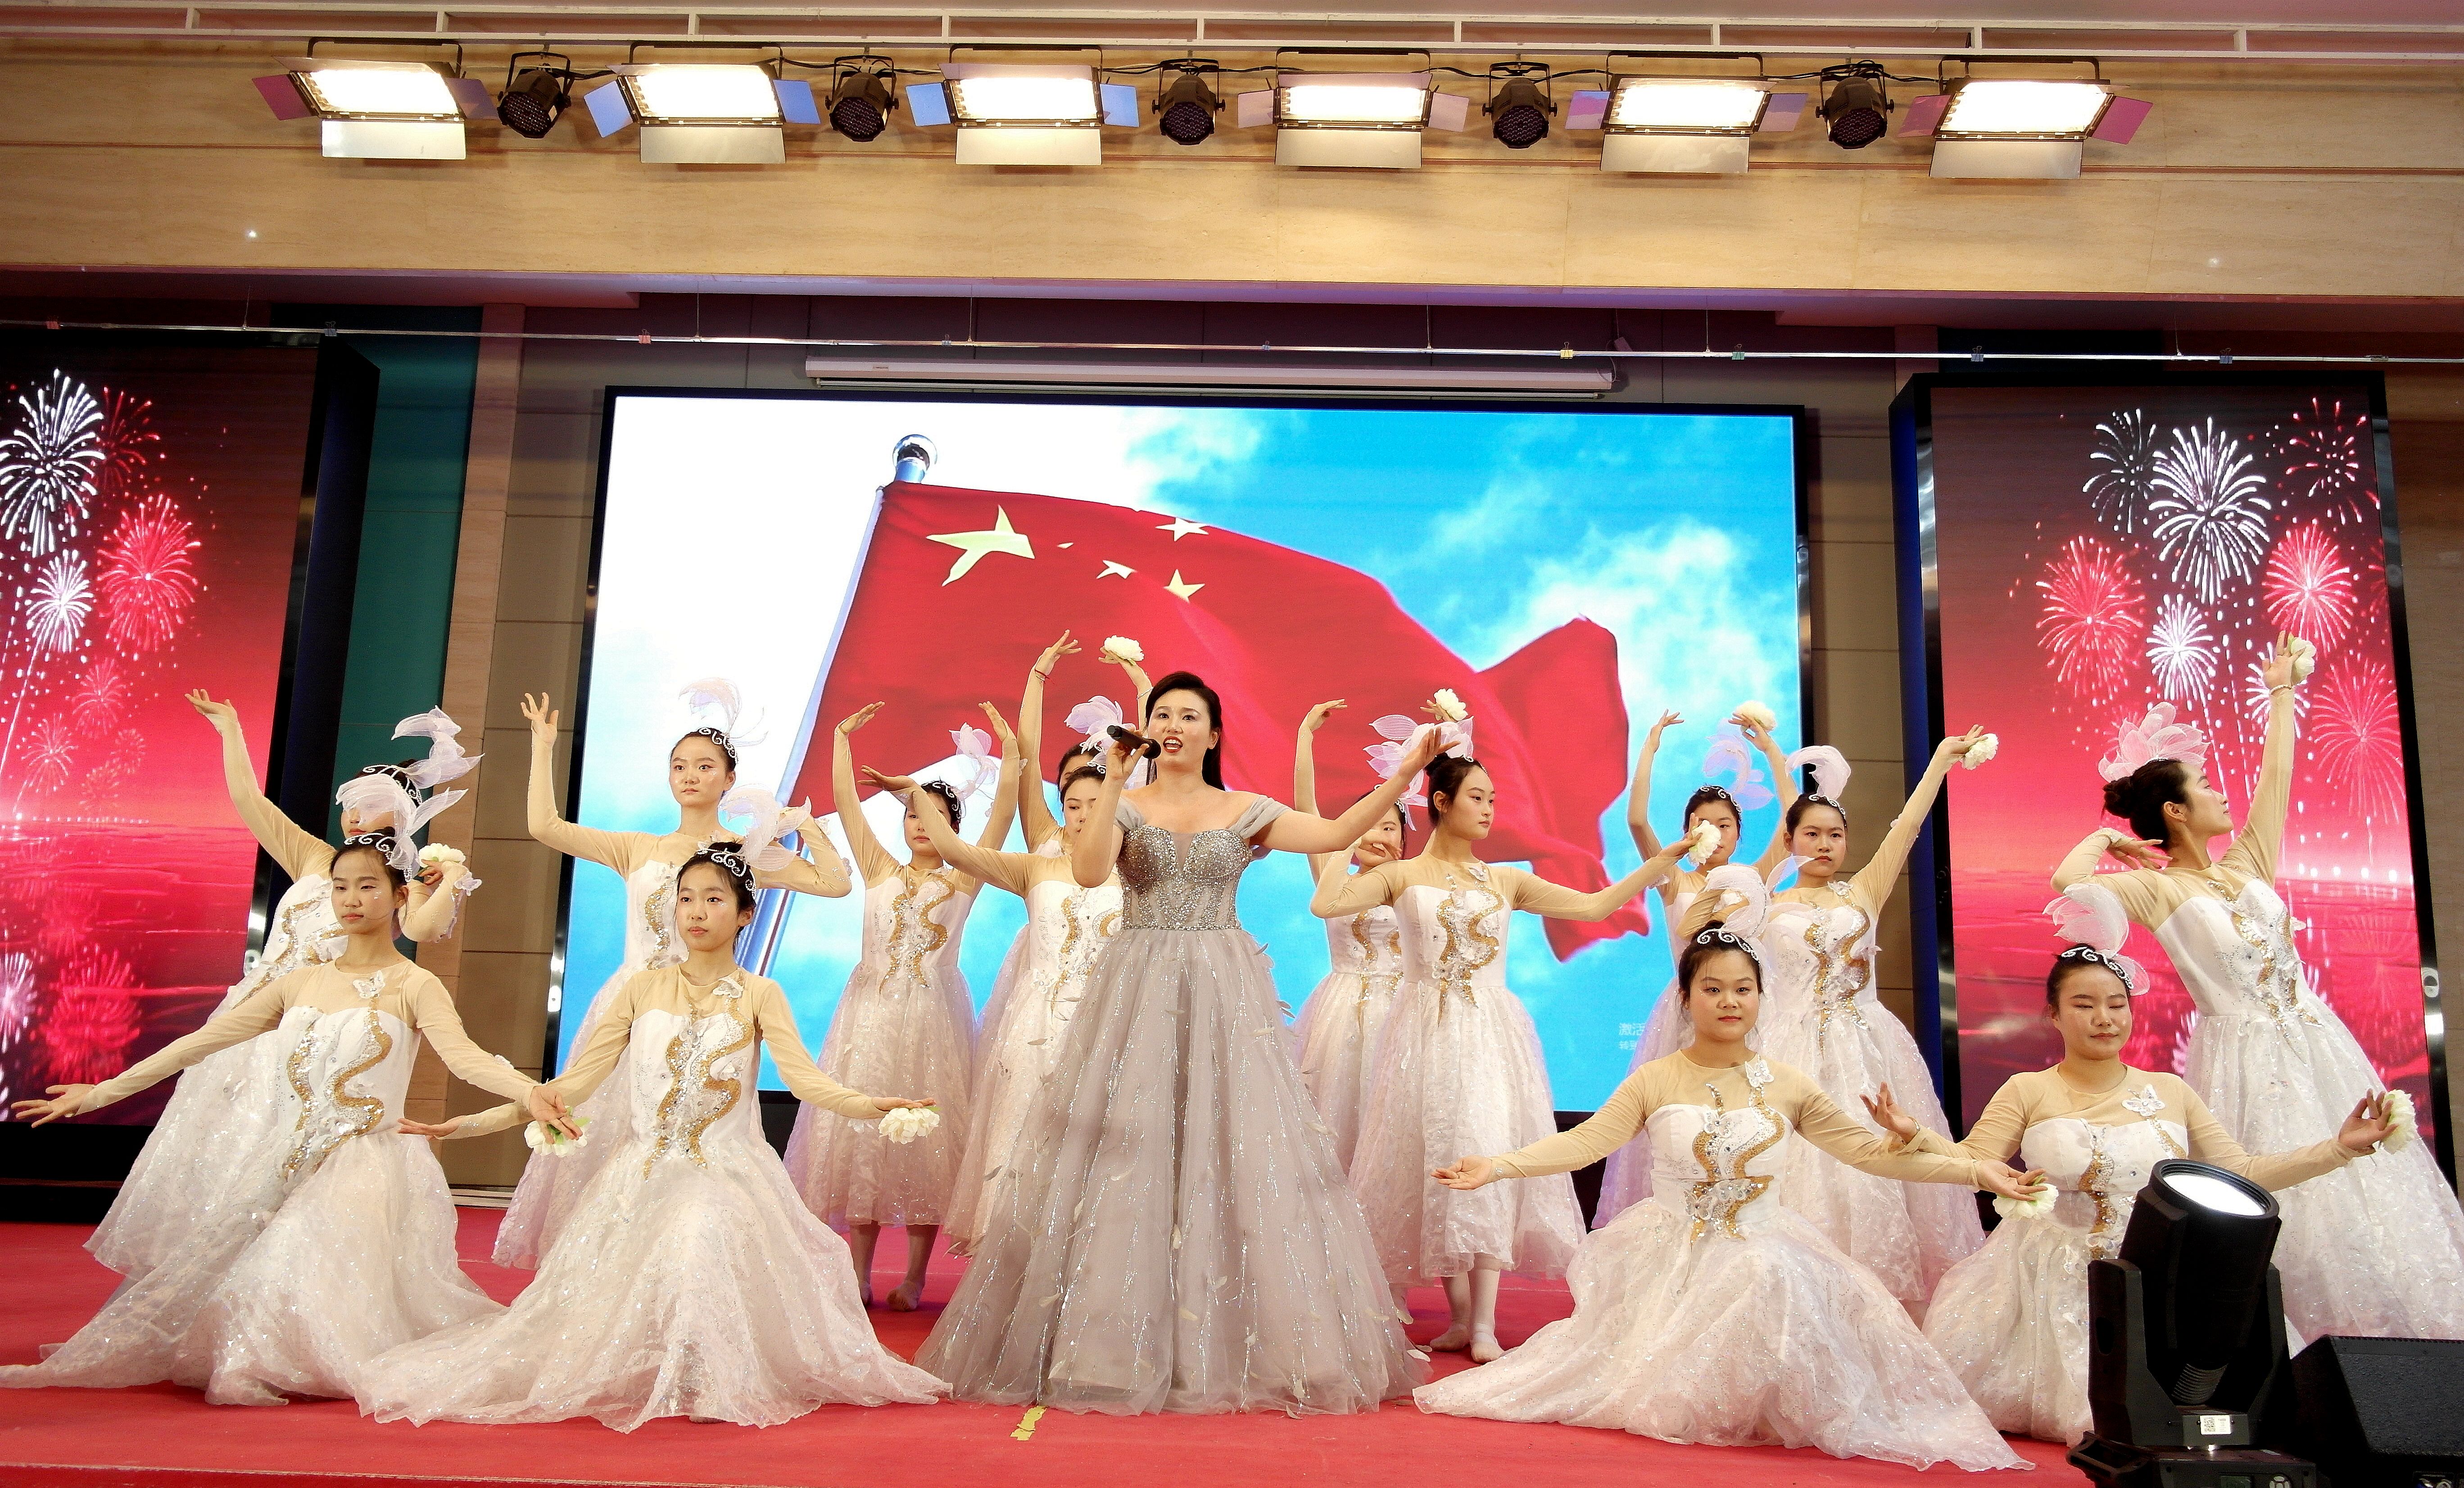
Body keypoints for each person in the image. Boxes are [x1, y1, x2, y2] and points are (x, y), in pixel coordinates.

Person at [915, 671, 1440, 1416]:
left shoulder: (1243, 809)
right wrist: (1112, 783)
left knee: (1228, 1147)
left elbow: (1330, 835)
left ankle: (1226, 1339)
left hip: (1223, 989)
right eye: (1162, 713)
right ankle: (1106, 1338)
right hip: (1137, 986)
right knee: (1124, 1152)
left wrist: (1406, 772)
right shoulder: (1127, 804)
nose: (1173, 725)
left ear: (1213, 733)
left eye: (1189, 715)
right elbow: (1090, 870)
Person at [1412, 869, 2038, 1472]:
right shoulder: (1656, 1079)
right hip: (1669, 1259)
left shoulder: (1789, 1084)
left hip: (1764, 1246)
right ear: (1686, 998)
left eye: (1743, 988)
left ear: (1762, 996)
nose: (1730, 1001)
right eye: (1713, 988)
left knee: (1767, 1270)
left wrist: (1977, 1174)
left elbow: (1871, 1154)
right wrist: (1498, 1166)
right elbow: (1584, 1143)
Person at [358, 834, 947, 1431]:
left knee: (699, 1227)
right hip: (639, 1174)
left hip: (725, 1171)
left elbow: (805, 1080)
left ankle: (708, 1371)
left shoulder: (761, 993)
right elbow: (573, 1086)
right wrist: (471, 1123)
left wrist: (874, 1105)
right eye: (686, 898)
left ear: (746, 913)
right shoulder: (641, 989)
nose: (696, 911)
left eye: (714, 899)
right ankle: (664, 1363)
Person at [2, 841, 553, 1405]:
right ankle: (249, 1354)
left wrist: (531, 1093)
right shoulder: (300, 981)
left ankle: (256, 1360)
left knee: (289, 1258)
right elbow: (199, 1044)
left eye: (368, 886)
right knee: (222, 1260)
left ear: (399, 897)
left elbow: (466, 1060)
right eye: (341, 886)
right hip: (282, 1156)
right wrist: (101, 1092)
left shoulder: (416, 984)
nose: (351, 899)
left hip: (363, 1163)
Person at [2053, 632, 2464, 1342]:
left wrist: (2282, 691)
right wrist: (2112, 842)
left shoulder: (2247, 864)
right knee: (2271, 1200)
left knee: (2363, 1187)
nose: (2221, 793)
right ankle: (2287, 1343)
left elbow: (2279, 778)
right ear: (2175, 811)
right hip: (2243, 1058)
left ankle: (2390, 1337)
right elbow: (2068, 880)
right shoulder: (2158, 889)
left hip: (2317, 1040)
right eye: (2204, 786)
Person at [1911, 883, 2394, 1444]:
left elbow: (2242, 1173)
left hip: (2162, 1275)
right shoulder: (2027, 1089)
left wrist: (2340, 1147)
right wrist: (1915, 1134)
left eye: (2117, 1004)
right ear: (2054, 1014)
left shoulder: (2170, 1089)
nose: (2104, 1018)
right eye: (2084, 1005)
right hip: (2052, 1275)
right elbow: (1972, 1162)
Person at [90, 695, 481, 1279]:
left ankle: (270, 1279)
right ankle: (201, 1277)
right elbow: (251, 802)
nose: (354, 816)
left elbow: (423, 930)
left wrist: (448, 880)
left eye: (371, 805)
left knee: (280, 1157)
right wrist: (231, 730)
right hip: (248, 1017)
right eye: (350, 803)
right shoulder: (316, 858)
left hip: (309, 1030)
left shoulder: (400, 881)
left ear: (399, 814)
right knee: (221, 1151)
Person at [1313, 746, 1677, 1362]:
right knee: (1432, 1161)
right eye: (1477, 797)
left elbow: (1593, 906)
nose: (1488, 809)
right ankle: (1459, 1318)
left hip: (1489, 1035)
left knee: (1483, 1149)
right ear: (1441, 802)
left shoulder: (1504, 879)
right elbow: (1326, 905)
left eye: (1492, 799)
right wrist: (1352, 832)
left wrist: (1661, 863)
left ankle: (1483, 1324)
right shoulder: (1403, 875)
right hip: (1423, 1033)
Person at [493, 680, 851, 1270]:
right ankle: (596, 1275)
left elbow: (835, 884)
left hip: (710, 1015)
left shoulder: (743, 853)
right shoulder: (639, 847)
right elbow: (546, 827)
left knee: (692, 1143)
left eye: (705, 766)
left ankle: (679, 1270)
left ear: (729, 779)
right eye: (679, 765)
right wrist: (543, 746)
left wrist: (806, 827)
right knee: (605, 1142)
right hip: (633, 1008)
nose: (690, 775)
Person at [1688, 730, 1994, 1312]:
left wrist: (1939, 761)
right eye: (1812, 833)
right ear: (1789, 839)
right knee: (1795, 1169)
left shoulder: (1864, 892)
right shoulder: (1764, 904)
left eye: (1835, 834)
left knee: (1873, 1168)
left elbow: (1907, 827)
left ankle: (1871, 1305)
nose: (1825, 844)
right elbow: (1703, 947)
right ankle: (1790, 1299)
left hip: (1867, 1051)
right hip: (1790, 1050)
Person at [780, 701, 1016, 1310]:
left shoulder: (964, 877)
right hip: (870, 1021)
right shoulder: (879, 867)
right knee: (862, 1140)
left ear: (954, 828)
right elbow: (848, 805)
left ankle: (914, 1276)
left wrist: (1011, 752)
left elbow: (1002, 817)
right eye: (912, 813)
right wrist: (840, 740)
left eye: (934, 815)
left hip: (934, 1025)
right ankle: (858, 1272)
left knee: (927, 1145)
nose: (920, 823)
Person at [1595, 706, 1797, 1226]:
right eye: (1702, 824)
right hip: (1686, 1015)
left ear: (1738, 834)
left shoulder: (1755, 876)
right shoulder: (1675, 880)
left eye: (1725, 824)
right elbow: (1636, 820)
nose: (1715, 833)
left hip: (1749, 1015)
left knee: (1748, 1118)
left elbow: (1791, 817)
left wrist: (1771, 750)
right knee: (1683, 1124)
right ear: (1687, 831)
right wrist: (1651, 745)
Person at [919, 761, 1123, 1257]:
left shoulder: (1138, 876)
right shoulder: (1035, 868)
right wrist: (913, 793)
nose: (1083, 814)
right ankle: (1011, 1267)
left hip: (1108, 1026)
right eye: (1073, 805)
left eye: (1095, 804)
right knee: (1023, 1139)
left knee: (1096, 1147)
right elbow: (956, 851)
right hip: (1037, 1022)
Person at [1288, 699, 1408, 1169]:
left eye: (1390, 827)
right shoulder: (1333, 878)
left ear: (1405, 839)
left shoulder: (1418, 885)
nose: (1379, 835)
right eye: (1369, 825)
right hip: (1341, 1014)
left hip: (1405, 1009)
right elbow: (1306, 809)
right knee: (1335, 1119)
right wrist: (1305, 737)